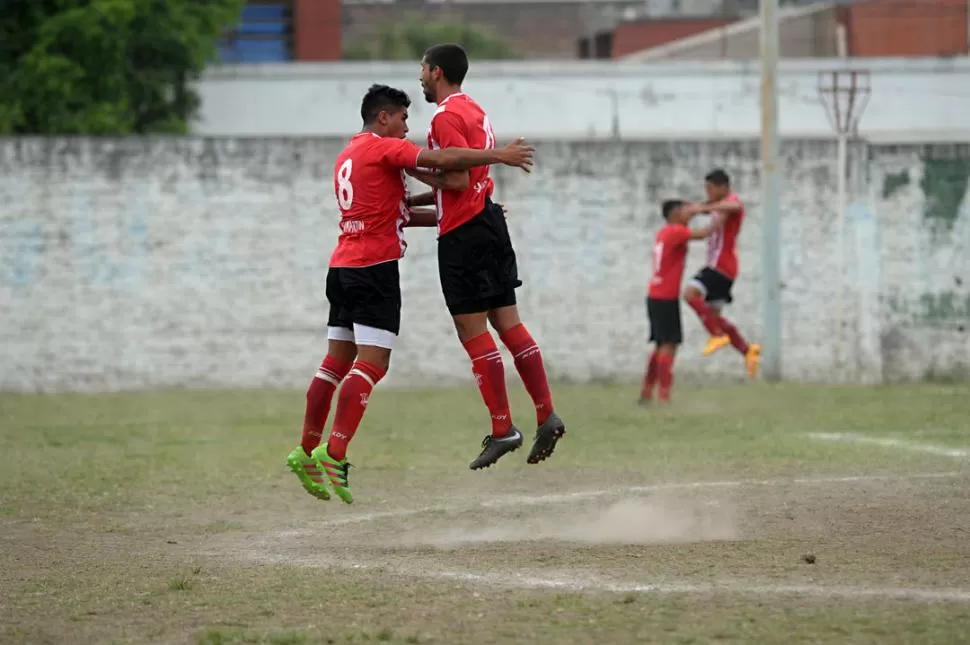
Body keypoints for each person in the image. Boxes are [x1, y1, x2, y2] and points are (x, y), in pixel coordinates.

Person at [286, 84, 535, 504]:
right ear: (383, 117)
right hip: (373, 270)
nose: (407, 127)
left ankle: (305, 449)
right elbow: (442, 160)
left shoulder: (349, 155)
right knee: (372, 364)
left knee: (335, 361)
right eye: (403, 118)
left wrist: (474, 211)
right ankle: (336, 452)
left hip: (342, 266)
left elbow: (397, 216)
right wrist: (499, 157)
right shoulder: (384, 149)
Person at [406, 43, 566, 470]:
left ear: (437, 71)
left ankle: (503, 428)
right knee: (508, 323)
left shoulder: (443, 116)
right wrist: (414, 199)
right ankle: (545, 411)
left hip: (464, 234)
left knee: (471, 328)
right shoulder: (476, 109)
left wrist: (408, 163)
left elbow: (455, 178)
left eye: (422, 69)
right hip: (489, 221)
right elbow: (464, 178)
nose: (419, 77)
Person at [681, 169, 761, 379]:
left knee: (689, 294)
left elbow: (735, 205)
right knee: (714, 316)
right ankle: (747, 351)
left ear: (723, 187)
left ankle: (716, 336)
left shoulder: (731, 202)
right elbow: (708, 209)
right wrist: (695, 208)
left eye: (710, 188)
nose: (707, 193)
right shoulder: (720, 207)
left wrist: (704, 207)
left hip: (720, 266)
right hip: (725, 269)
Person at [641, 200, 722, 404]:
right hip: (665, 296)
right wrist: (722, 216)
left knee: (660, 344)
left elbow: (688, 221)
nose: (690, 213)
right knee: (669, 344)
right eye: (685, 210)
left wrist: (697, 209)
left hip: (655, 295)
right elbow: (704, 234)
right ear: (676, 213)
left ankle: (647, 392)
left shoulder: (665, 231)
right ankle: (663, 395)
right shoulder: (677, 231)